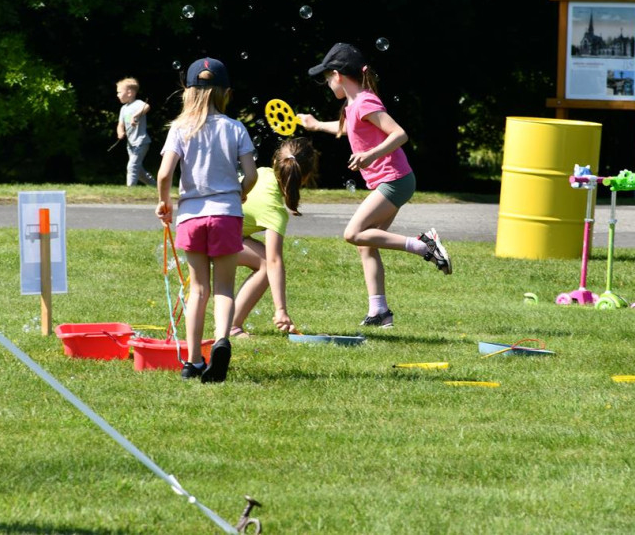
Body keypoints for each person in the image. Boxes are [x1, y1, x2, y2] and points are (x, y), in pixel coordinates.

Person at [296, 42, 451, 328]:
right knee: (365, 243)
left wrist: (370, 155)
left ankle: (424, 246)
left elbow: (399, 134)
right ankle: (380, 312)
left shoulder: (365, 101)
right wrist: (316, 124)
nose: (327, 84)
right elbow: (347, 129)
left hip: (394, 180)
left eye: (327, 78)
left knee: (353, 233)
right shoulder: (353, 105)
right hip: (392, 180)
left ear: (338, 75)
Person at [156, 58, 258, 383]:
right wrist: (240, 192)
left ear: (188, 92)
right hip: (226, 213)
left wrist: (164, 203)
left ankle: (192, 361)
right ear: (226, 93)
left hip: (191, 215)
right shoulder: (235, 127)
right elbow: (252, 175)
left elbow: (164, 174)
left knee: (198, 288)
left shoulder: (180, 128)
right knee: (224, 287)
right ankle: (222, 340)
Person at [230, 137, 320, 337]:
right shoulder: (275, 210)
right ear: (305, 177)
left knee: (262, 257)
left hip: (204, 228)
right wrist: (281, 310)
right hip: (216, 238)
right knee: (264, 262)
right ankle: (232, 326)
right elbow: (274, 261)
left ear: (275, 161)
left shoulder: (262, 173)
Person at [116, 77, 156, 186]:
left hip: (141, 142)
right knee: (139, 170)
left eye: (119, 92)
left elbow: (147, 106)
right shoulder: (123, 109)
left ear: (130, 93)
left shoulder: (138, 103)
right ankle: (156, 187)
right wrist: (120, 132)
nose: (117, 95)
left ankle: (130, 190)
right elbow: (120, 125)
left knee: (132, 166)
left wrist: (136, 115)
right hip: (130, 144)